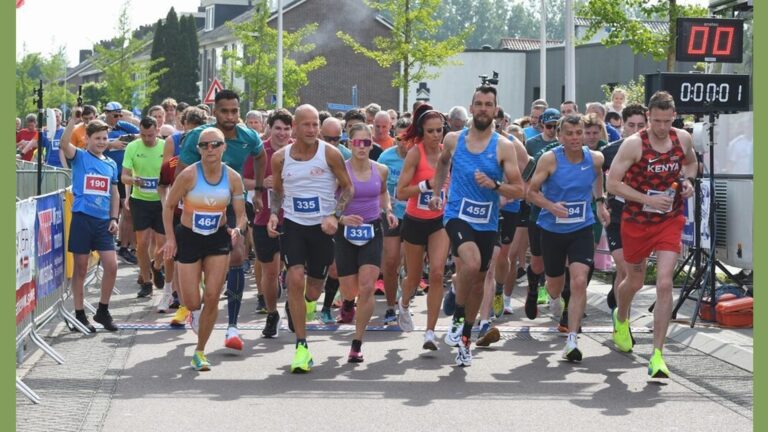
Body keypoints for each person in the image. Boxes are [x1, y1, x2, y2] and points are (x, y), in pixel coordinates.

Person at [430, 85, 525, 366]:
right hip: (457, 214)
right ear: (471, 108)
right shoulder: (453, 139)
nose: (483, 109)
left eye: (489, 104)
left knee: (478, 282)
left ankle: (466, 338)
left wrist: (496, 185)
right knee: (470, 266)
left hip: (487, 220)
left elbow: (520, 189)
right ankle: (458, 318)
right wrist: (437, 193)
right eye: (479, 104)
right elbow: (442, 164)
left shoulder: (504, 146)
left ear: (495, 110)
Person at [607, 91, 697, 378]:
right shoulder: (634, 145)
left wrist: (688, 182)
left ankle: (658, 355)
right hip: (636, 220)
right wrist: (646, 199)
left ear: (673, 117)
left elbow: (692, 163)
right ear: (648, 117)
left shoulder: (682, 138)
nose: (661, 127)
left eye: (666, 121)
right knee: (634, 280)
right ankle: (621, 318)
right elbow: (612, 184)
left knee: (664, 282)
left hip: (670, 217)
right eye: (656, 121)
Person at [177, 89, 266, 351]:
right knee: (195, 292)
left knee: (238, 254)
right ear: (214, 112)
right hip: (198, 205)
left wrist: (258, 190)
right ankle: (196, 303)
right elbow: (182, 173)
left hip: (230, 200)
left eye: (234, 111)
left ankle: (233, 326)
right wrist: (182, 208)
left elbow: (260, 157)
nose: (230, 116)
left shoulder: (247, 135)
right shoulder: (199, 137)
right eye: (224, 111)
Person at [267, 104, 354, 373]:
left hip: (322, 228)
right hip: (294, 225)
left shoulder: (330, 154)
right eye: (307, 124)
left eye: (316, 124)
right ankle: (301, 347)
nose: (313, 129)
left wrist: (334, 216)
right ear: (295, 126)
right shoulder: (280, 158)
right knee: (294, 277)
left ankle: (305, 305)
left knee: (313, 290)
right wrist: (273, 214)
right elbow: (278, 192)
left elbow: (348, 188)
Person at [162, 128, 248, 371]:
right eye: (204, 145)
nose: (210, 149)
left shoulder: (232, 178)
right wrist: (170, 239)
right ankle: (193, 311)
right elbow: (168, 207)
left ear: (224, 147)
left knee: (212, 296)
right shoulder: (189, 175)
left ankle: (200, 351)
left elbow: (241, 216)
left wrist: (237, 230)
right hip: (189, 238)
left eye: (215, 144)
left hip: (217, 239)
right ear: (198, 149)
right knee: (191, 302)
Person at [527, 114, 609, 362]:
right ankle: (553, 297)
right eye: (569, 133)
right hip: (552, 229)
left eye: (578, 132)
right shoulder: (550, 159)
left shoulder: (595, 158)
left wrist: (601, 203)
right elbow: (530, 192)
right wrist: (551, 206)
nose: (575, 138)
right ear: (560, 136)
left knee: (579, 280)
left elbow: (597, 179)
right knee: (554, 285)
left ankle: (572, 339)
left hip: (581, 227)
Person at [334, 123, 397, 362]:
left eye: (366, 142)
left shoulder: (380, 170)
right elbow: (330, 199)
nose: (362, 147)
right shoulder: (341, 170)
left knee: (368, 286)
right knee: (350, 289)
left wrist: (388, 210)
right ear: (350, 144)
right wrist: (341, 218)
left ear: (372, 144)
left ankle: (357, 342)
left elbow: (382, 193)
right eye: (357, 142)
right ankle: (347, 302)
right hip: (346, 231)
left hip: (371, 229)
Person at [395, 103, 450, 351]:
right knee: (415, 277)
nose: (436, 135)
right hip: (415, 220)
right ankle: (404, 304)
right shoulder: (415, 153)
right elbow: (400, 193)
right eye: (431, 131)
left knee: (437, 272)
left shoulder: (447, 153)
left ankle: (430, 332)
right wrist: (425, 186)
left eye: (439, 130)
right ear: (422, 131)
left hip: (440, 221)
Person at [58, 114, 120, 333]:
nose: (102, 142)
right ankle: (79, 314)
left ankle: (103, 310)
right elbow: (64, 144)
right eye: (97, 138)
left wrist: (114, 218)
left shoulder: (111, 164)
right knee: (81, 268)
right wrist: (72, 121)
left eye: (104, 138)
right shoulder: (80, 157)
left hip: (104, 223)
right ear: (87, 139)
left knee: (112, 265)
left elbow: (114, 193)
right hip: (82, 219)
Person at [243, 108, 294, 338]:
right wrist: (262, 182)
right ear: (268, 129)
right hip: (264, 218)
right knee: (270, 273)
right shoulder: (259, 152)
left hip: (295, 219)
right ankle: (272, 313)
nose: (282, 133)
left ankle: (293, 307)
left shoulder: (300, 150)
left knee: (296, 271)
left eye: (286, 129)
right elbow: (242, 181)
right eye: (277, 128)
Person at [600, 103, 648, 310]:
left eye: (640, 125)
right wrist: (600, 201)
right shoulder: (609, 152)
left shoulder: (655, 150)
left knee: (631, 275)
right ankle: (622, 322)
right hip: (616, 215)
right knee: (626, 268)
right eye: (631, 125)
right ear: (623, 126)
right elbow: (594, 180)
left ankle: (617, 290)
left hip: (643, 216)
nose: (636, 130)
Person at [122, 117, 168, 298]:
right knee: (142, 243)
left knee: (163, 243)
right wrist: (133, 180)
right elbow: (124, 175)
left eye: (150, 135)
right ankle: (147, 282)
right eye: (143, 135)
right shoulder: (133, 147)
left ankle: (156, 267)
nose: (147, 139)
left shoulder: (166, 146)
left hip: (161, 201)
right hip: (140, 200)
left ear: (157, 131)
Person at [376, 118, 411, 324]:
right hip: (390, 214)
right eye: (399, 137)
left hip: (415, 216)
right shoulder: (385, 157)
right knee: (390, 263)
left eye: (408, 137)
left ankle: (404, 304)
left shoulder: (418, 156)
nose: (403, 142)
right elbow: (377, 186)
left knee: (409, 267)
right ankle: (390, 306)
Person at [103, 101, 141, 266]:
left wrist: (128, 138)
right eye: (115, 115)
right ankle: (105, 247)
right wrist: (111, 144)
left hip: (123, 174)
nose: (118, 118)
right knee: (110, 213)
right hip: (107, 175)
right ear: (106, 114)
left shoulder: (124, 126)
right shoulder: (100, 126)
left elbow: (143, 134)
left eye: (120, 115)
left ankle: (124, 247)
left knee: (128, 212)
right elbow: (88, 143)